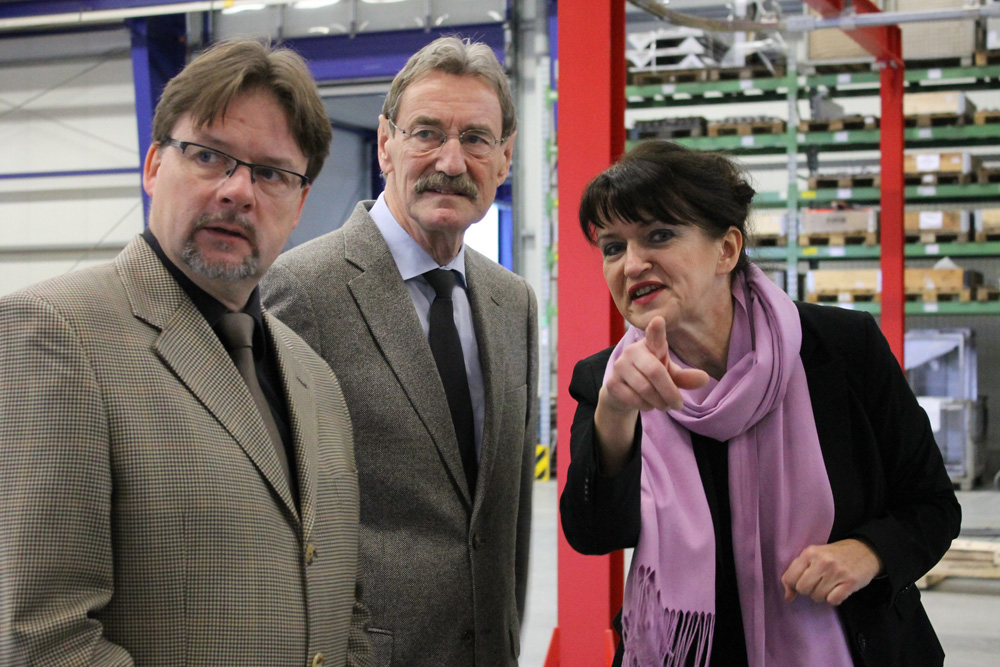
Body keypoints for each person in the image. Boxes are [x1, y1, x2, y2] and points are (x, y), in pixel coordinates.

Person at [0, 39, 371, 666]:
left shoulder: (315, 378)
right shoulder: (55, 335)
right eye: (208, 155)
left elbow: (343, 604)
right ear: (153, 165)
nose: (238, 192)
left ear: (300, 202)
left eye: (272, 173)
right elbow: (46, 642)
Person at [559, 140, 961, 667]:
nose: (632, 263)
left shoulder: (841, 349)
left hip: (852, 645)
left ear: (726, 249)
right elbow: (594, 535)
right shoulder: (608, 381)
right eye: (613, 247)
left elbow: (932, 504)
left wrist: (869, 553)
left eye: (659, 235)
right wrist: (615, 415)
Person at [261, 36, 538, 666]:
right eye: (426, 133)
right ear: (386, 143)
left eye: (476, 138)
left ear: (505, 158)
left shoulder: (511, 301)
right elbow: (276, 517)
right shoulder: (302, 289)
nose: (451, 159)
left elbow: (506, 515)